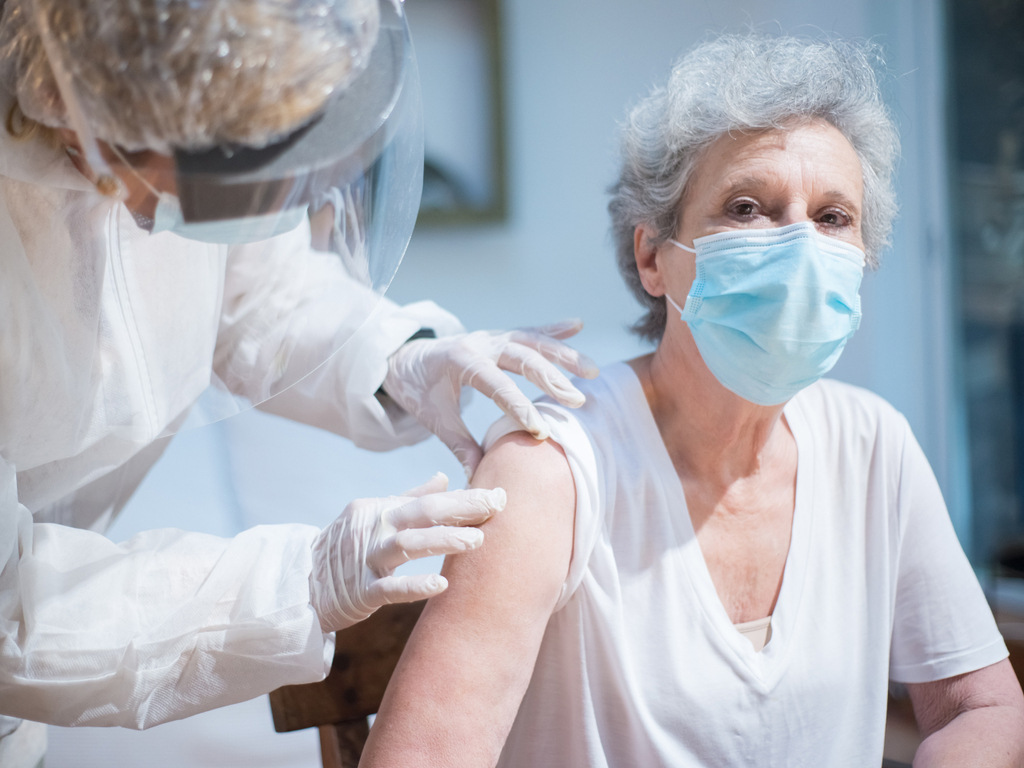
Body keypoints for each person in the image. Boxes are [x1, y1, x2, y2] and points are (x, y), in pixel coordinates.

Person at [360, 34, 1024, 767]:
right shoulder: (551, 471)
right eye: (748, 207)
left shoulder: (873, 446)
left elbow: (984, 705)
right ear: (653, 257)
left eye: (833, 218)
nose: (800, 247)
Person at [0, 0, 598, 764]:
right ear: (97, 114)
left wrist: (398, 360)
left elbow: (254, 296)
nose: (214, 212)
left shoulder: (188, 122)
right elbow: (9, 610)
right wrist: (298, 582)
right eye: (213, 178)